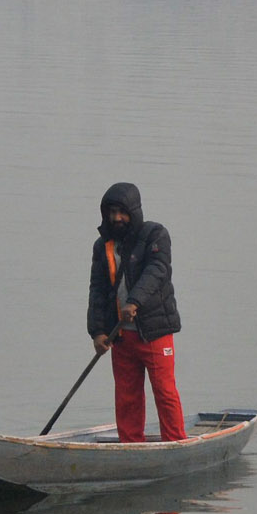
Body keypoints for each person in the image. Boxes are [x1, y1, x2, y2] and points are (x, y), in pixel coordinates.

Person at [88, 183, 187, 442]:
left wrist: (134, 302)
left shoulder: (155, 235)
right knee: (127, 395)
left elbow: (157, 271)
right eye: (112, 212)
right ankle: (131, 445)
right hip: (120, 335)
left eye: (122, 211)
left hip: (153, 332)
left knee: (164, 391)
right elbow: (97, 289)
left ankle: (175, 443)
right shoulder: (103, 245)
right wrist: (97, 332)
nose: (117, 218)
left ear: (134, 210)